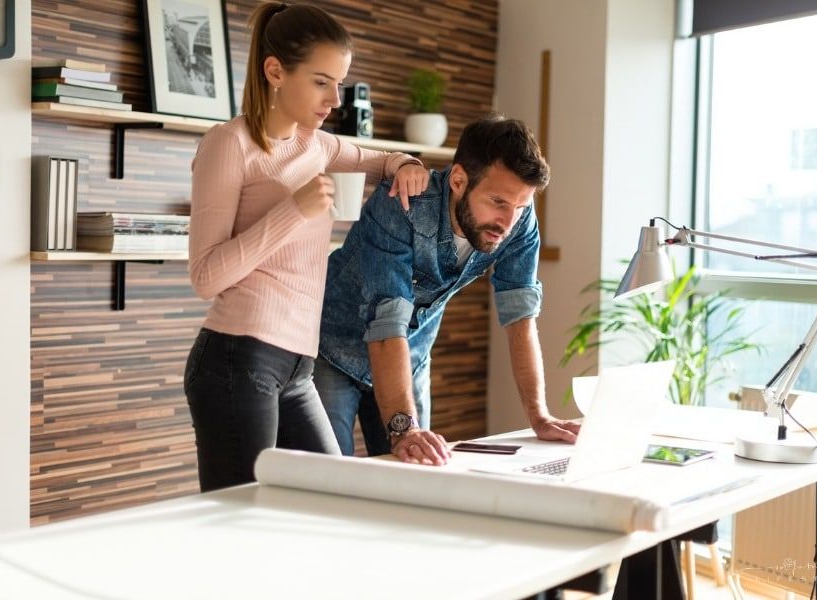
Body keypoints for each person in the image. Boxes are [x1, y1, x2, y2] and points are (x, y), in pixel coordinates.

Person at [184, 2, 430, 492]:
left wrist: (405, 163)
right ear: (275, 71)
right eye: (321, 81)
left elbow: (383, 160)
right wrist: (292, 212)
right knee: (242, 524)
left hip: (298, 366)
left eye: (339, 83)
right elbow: (205, 276)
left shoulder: (317, 146)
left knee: (334, 497)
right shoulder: (229, 144)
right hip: (238, 358)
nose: (335, 99)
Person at [314, 115, 581, 466]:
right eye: (498, 202)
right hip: (334, 350)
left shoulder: (518, 222)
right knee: (330, 476)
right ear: (458, 180)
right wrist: (404, 428)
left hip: (410, 356)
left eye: (519, 206)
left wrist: (539, 416)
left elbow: (520, 316)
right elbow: (387, 319)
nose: (508, 221)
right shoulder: (402, 203)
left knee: (418, 470)